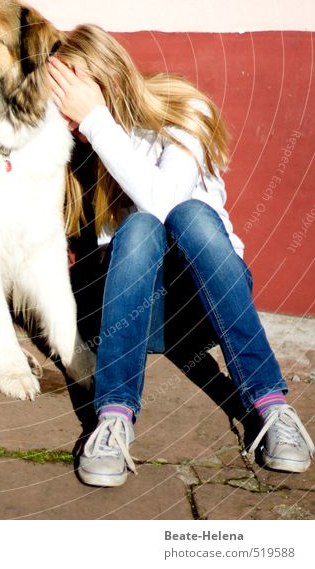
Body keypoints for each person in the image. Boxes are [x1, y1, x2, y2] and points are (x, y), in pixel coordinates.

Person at [47, 24, 313, 488]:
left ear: (104, 79)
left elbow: (167, 204)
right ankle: (113, 419)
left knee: (186, 214)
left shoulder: (184, 110)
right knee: (139, 227)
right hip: (137, 323)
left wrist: (95, 121)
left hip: (210, 307)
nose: (65, 110)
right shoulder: (88, 152)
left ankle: (271, 406)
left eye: (70, 91)